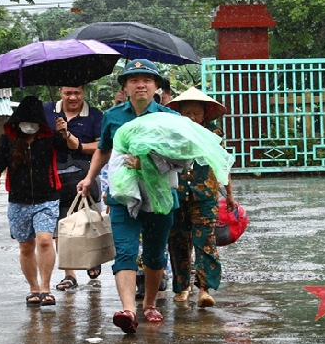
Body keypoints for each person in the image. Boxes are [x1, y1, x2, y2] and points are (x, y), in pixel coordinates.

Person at [76, 59, 179, 334]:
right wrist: (89, 178)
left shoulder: (170, 118)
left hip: (158, 196)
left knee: (156, 255)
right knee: (125, 251)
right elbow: (103, 149)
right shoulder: (113, 116)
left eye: (147, 79)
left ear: (156, 86)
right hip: (122, 195)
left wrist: (148, 162)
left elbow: (182, 156)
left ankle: (149, 304)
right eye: (134, 80)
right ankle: (128, 310)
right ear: (125, 87)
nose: (140, 84)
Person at [0, 95, 81, 307]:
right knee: (26, 247)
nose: (29, 125)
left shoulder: (49, 137)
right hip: (18, 201)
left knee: (45, 241)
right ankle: (34, 288)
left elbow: (74, 147)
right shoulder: (8, 139)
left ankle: (46, 289)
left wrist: (65, 132)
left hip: (47, 199)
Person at [165, 87, 235, 307]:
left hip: (205, 194)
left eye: (196, 113)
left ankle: (204, 288)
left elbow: (221, 162)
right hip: (176, 192)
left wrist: (230, 193)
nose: (191, 117)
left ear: (204, 114)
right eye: (187, 112)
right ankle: (182, 287)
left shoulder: (214, 134)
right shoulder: (171, 132)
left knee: (205, 240)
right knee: (177, 240)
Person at [42, 86, 105, 291]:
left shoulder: (94, 115)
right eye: (68, 93)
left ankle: (93, 257)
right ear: (59, 92)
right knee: (62, 227)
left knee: (89, 222)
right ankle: (69, 274)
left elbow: (102, 145)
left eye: (77, 93)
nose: (73, 97)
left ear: (84, 92)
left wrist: (76, 143)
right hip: (55, 177)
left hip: (86, 175)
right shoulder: (47, 110)